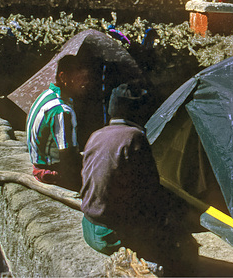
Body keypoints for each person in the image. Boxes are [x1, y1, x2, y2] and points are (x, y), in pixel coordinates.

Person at [80, 82, 197, 276]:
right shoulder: (134, 137)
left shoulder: (96, 135)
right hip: (111, 236)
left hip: (90, 227)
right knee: (178, 240)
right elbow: (151, 190)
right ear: (138, 111)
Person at [26, 54, 90, 191]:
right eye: (80, 79)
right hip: (51, 171)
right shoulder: (61, 111)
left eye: (86, 78)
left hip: (38, 164)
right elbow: (68, 157)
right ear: (63, 77)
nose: (85, 83)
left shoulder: (46, 95)